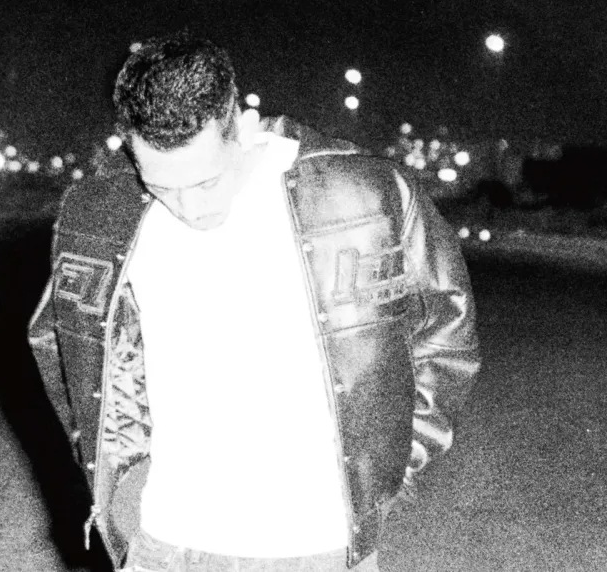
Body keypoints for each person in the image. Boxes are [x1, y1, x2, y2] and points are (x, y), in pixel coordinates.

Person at [28, 32, 479, 571]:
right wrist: (122, 478)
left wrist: (385, 470)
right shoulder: (101, 214)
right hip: (163, 543)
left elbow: (446, 332)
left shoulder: (362, 195)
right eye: (161, 186)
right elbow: (64, 346)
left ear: (241, 127)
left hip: (317, 549)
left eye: (206, 182)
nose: (189, 208)